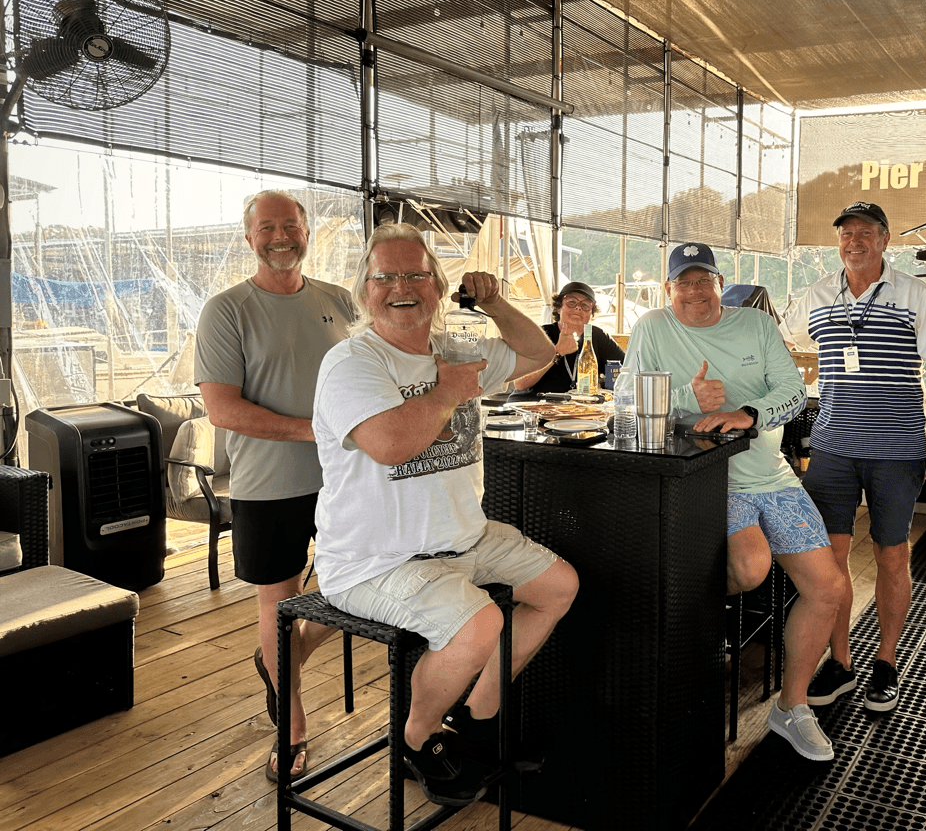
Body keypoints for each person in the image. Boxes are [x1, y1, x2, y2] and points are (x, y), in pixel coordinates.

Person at [311, 223, 579, 806]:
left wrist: (494, 301)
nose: (400, 286)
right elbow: (387, 444)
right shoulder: (351, 362)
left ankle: (478, 721)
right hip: (374, 560)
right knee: (480, 625)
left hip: (463, 538)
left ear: (436, 287)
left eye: (416, 274)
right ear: (364, 291)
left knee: (559, 586)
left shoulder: (455, 349)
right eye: (385, 276)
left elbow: (541, 350)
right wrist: (446, 394)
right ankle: (418, 737)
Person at [622, 243, 844, 762]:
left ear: (719, 283)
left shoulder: (756, 326)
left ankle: (790, 708)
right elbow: (626, 404)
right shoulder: (653, 327)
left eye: (705, 280)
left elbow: (793, 391)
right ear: (669, 287)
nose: (695, 291)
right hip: (708, 479)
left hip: (771, 475)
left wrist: (747, 411)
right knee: (750, 568)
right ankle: (690, 618)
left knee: (829, 588)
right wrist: (686, 401)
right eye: (684, 282)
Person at [194, 190, 356, 782]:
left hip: (346, 480)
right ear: (249, 237)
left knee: (361, 584)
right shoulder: (226, 309)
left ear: (308, 232)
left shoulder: (340, 301)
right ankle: (291, 729)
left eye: (291, 224)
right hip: (268, 486)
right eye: (268, 226)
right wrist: (312, 431)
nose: (280, 236)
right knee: (279, 603)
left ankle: (285, 654)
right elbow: (222, 409)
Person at [779, 201, 926, 715]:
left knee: (891, 556)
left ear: (885, 240)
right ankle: (840, 661)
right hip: (833, 447)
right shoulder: (816, 296)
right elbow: (780, 343)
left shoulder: (914, 294)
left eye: (864, 233)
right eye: (845, 234)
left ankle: (886, 659)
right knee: (829, 564)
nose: (853, 241)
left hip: (896, 450)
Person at [511, 281, 624, 395]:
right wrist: (557, 352)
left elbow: (626, 369)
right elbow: (520, 383)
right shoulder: (540, 334)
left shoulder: (599, 337)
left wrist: (602, 383)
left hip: (580, 407)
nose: (578, 308)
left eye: (585, 305)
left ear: (591, 313)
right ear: (559, 308)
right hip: (534, 405)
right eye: (571, 302)